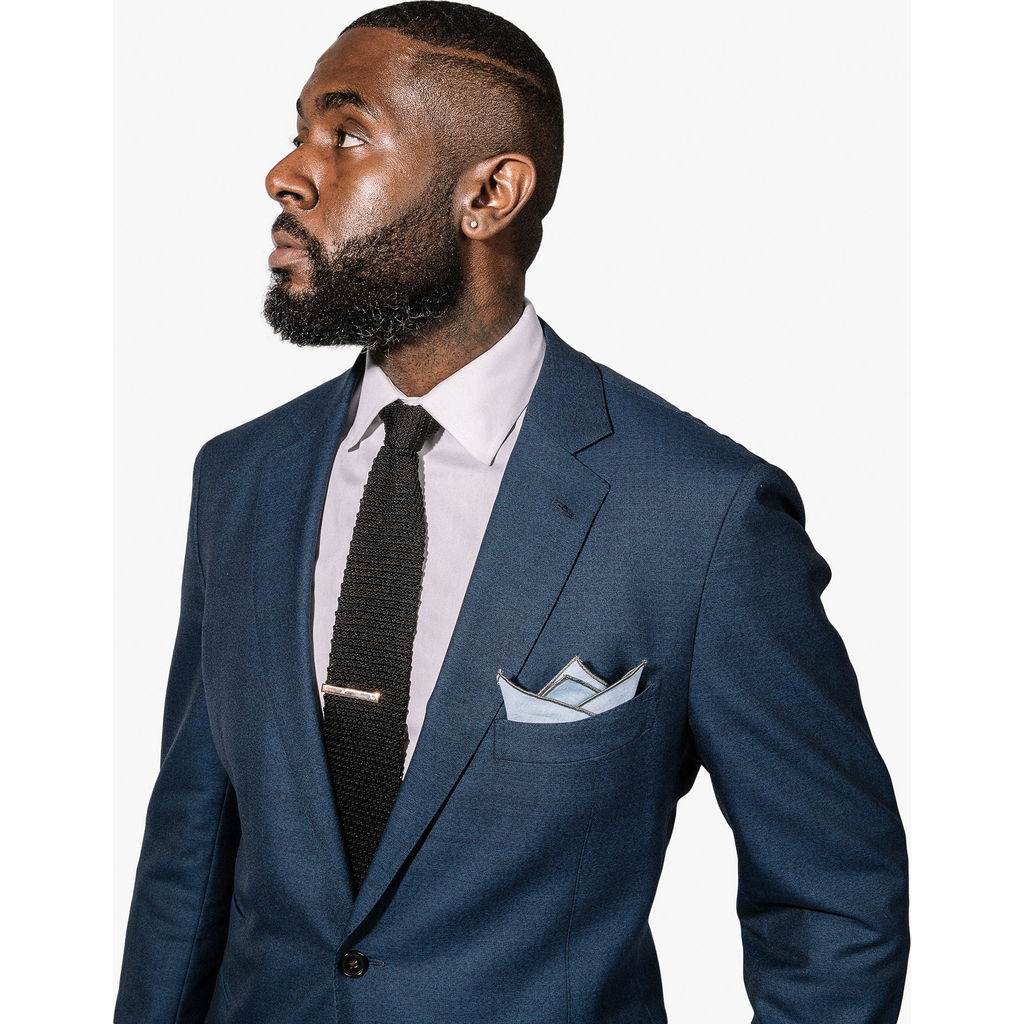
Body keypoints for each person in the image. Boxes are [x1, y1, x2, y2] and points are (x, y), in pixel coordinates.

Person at [115, 3, 910, 1022]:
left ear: (488, 195)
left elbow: (833, 901)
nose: (286, 173)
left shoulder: (700, 514)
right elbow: (188, 857)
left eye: (345, 135)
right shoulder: (241, 479)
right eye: (297, 131)